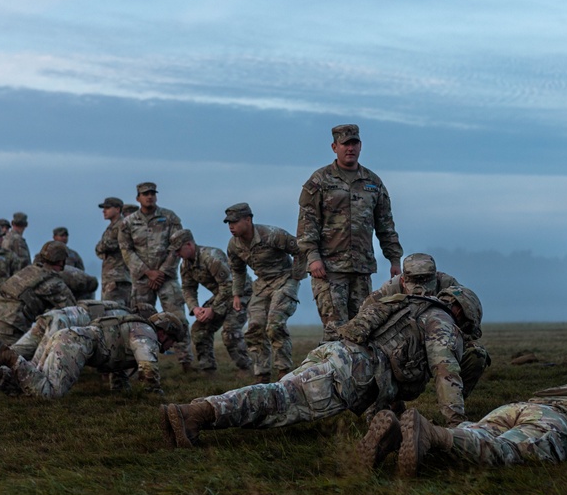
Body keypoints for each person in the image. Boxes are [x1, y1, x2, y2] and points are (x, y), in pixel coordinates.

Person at [160, 286, 480, 450]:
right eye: (465, 325)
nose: (461, 333)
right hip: (348, 373)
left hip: (338, 355)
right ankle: (195, 414)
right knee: (277, 402)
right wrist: (457, 424)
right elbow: (446, 371)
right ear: (460, 312)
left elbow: (386, 370)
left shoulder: (410, 308)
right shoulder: (441, 322)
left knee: (278, 397)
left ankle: (198, 412)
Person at [360, 367, 567, 477]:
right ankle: (432, 434)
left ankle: (397, 435)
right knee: (504, 451)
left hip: (520, 407)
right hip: (554, 421)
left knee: (474, 430)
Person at [298, 124, 403, 342]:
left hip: (361, 269)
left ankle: (359, 375)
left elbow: (385, 224)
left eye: (354, 143)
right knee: (335, 331)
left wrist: (394, 259)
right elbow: (307, 223)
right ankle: (334, 374)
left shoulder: (372, 183)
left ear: (361, 146)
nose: (350, 148)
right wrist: (313, 257)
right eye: (345, 144)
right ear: (334, 146)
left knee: (362, 328)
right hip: (328, 270)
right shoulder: (320, 181)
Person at [366, 252, 490, 397]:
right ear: (403, 280)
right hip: (404, 353)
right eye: (414, 280)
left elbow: (471, 325)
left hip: (443, 343)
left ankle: (455, 397)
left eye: (425, 279)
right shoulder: (388, 291)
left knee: (477, 353)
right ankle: (390, 401)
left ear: (434, 275)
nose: (420, 286)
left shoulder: (449, 286)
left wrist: (449, 342)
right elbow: (364, 325)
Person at [0, 312, 184, 399]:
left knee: (27, 388)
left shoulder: (134, 327)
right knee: (50, 393)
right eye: (171, 341)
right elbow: (147, 367)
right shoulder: (146, 333)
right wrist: (153, 395)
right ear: (164, 332)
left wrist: (120, 390)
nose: (169, 346)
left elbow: (119, 364)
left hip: (68, 337)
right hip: (74, 344)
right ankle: (8, 357)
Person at [225, 203, 304, 381]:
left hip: (284, 280)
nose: (231, 226)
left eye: (235, 222)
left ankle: (284, 373)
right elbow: (237, 270)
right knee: (254, 328)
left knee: (275, 325)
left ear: (248, 220)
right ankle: (262, 375)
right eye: (228, 222)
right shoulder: (234, 245)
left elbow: (300, 250)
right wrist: (236, 294)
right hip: (261, 285)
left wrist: (296, 278)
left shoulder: (272, 235)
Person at [118, 181, 193, 369]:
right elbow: (126, 250)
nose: (149, 196)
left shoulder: (169, 217)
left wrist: (161, 272)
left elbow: (177, 245)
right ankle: (142, 360)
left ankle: (186, 360)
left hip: (166, 278)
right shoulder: (127, 223)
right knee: (139, 319)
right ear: (138, 198)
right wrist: (147, 272)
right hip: (142, 279)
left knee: (178, 318)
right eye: (145, 194)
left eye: (152, 193)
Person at [173, 228, 251, 375]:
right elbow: (188, 288)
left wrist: (212, 309)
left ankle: (246, 368)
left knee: (230, 331)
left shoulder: (211, 257)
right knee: (199, 329)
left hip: (240, 294)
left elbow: (228, 285)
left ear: (189, 245)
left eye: (178, 250)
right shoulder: (185, 265)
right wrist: (195, 308)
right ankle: (207, 369)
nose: (177, 254)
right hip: (220, 296)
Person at [0, 241, 77, 345]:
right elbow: (73, 310)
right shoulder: (53, 282)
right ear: (61, 261)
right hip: (9, 325)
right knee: (19, 358)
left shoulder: (30, 270)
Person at [95, 196, 132, 308]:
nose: (104, 211)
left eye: (107, 208)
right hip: (110, 279)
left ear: (117, 209)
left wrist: (102, 246)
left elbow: (109, 245)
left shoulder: (122, 225)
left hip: (118, 279)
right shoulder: (111, 227)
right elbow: (99, 249)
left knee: (116, 311)